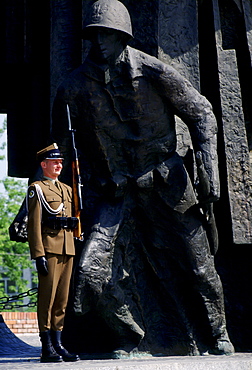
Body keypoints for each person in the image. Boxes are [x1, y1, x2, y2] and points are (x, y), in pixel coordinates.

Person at [52, 0, 234, 356]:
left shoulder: (154, 72)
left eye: (106, 34)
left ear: (123, 36)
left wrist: (209, 174)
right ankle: (130, 337)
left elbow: (201, 113)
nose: (99, 42)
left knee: (199, 267)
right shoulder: (73, 87)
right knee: (92, 274)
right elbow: (61, 147)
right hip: (117, 192)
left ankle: (218, 333)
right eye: (94, 35)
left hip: (168, 183)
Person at [27, 143, 79, 363]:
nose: (59, 165)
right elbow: (34, 225)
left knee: (62, 300)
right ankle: (46, 345)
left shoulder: (67, 189)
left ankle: (58, 343)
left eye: (60, 162)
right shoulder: (37, 189)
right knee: (47, 299)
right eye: (54, 162)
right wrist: (38, 255)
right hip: (49, 249)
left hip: (68, 249)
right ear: (44, 164)